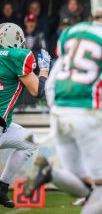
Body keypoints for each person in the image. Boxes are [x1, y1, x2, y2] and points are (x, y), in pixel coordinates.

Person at [23, 0, 102, 214]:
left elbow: (55, 78)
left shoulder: (72, 32)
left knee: (84, 186)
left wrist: (56, 109)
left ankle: (49, 173)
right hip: (89, 113)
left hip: (59, 112)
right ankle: (50, 173)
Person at [0, 22, 50, 208]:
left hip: (4, 124)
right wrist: (44, 70)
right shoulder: (17, 56)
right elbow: (38, 91)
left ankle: (2, 187)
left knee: (29, 142)